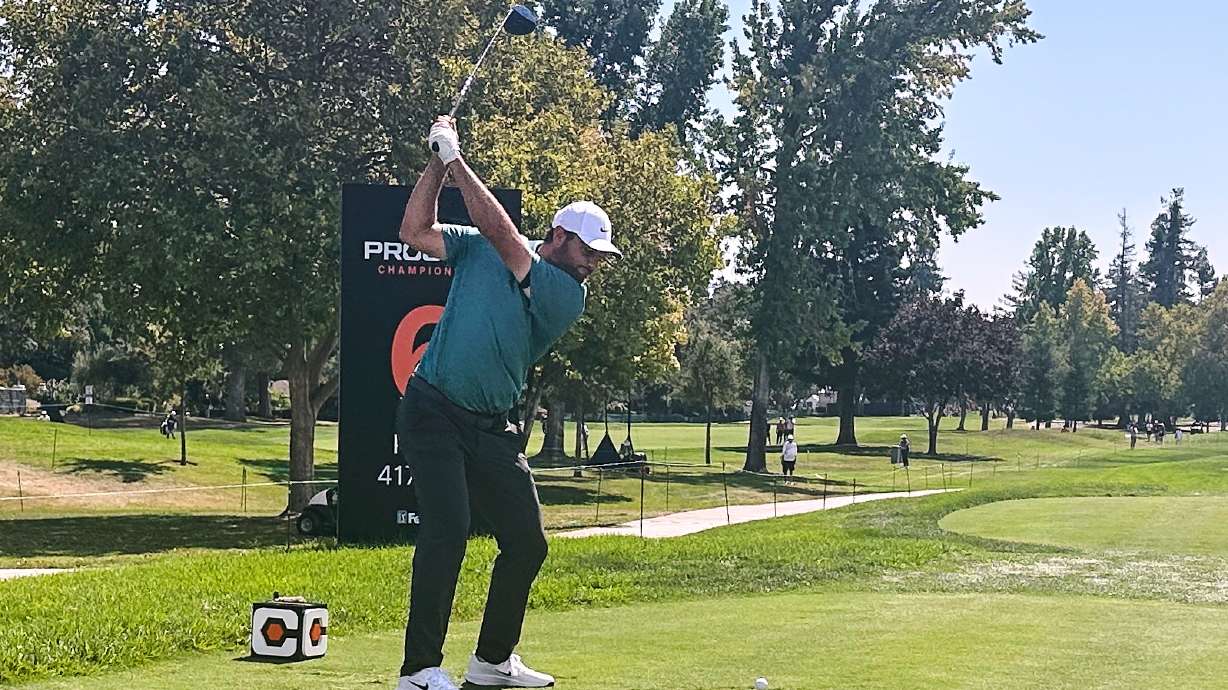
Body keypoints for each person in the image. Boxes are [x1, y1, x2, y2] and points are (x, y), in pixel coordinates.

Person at [395, 118, 620, 690]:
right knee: (448, 527)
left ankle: (492, 660)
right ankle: (419, 670)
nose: (593, 261)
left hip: (492, 425)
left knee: (527, 542)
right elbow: (413, 231)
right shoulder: (478, 250)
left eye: (600, 255)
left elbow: (503, 237)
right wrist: (436, 162)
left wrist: (458, 161)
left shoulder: (567, 293)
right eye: (587, 249)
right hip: (433, 408)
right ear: (559, 234)